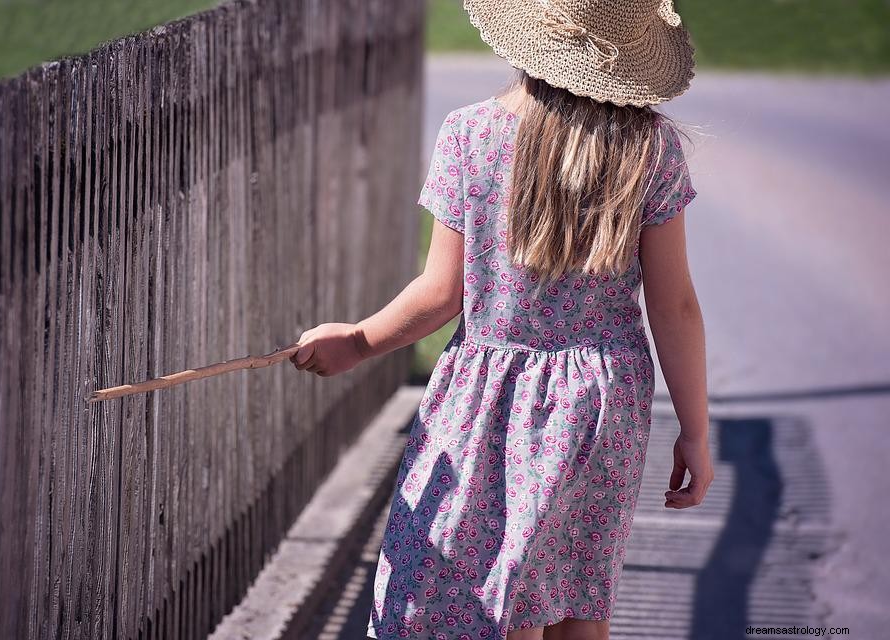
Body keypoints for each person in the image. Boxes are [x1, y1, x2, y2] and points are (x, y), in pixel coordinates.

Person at [290, 1, 714, 638]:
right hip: (602, 404)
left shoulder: (472, 134)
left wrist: (357, 340)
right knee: (577, 602)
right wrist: (696, 431)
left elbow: (442, 291)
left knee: (496, 600)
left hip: (490, 398)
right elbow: (674, 304)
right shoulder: (649, 148)